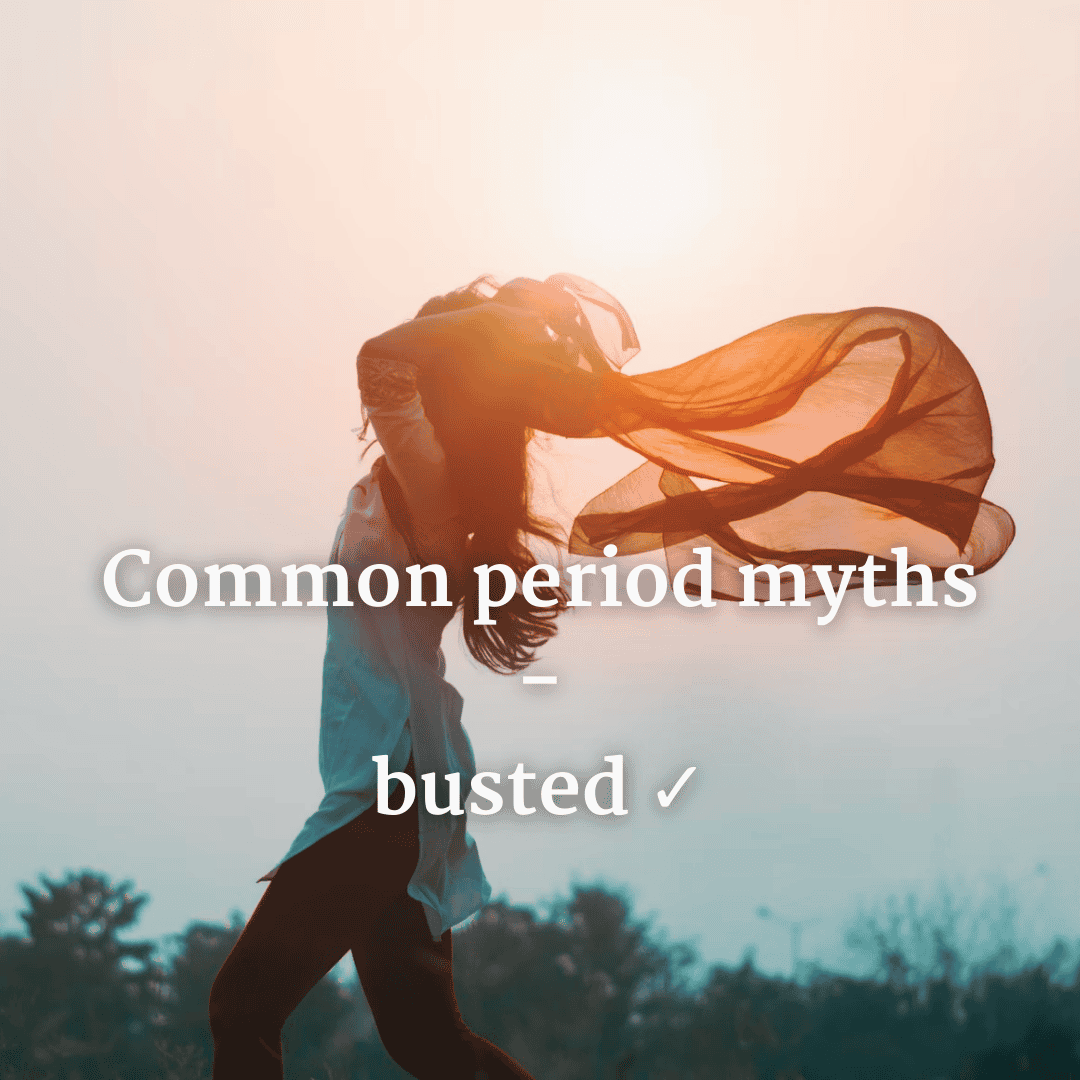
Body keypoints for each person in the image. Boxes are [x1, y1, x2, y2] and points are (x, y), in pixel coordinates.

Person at [208, 272, 1015, 1079]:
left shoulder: (431, 477)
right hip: (394, 780)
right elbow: (396, 363)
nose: (419, 366)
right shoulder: (431, 479)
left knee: (243, 1010)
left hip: (392, 784)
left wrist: (497, 323)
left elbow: (380, 359)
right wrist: (501, 326)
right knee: (427, 1044)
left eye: (438, 356)